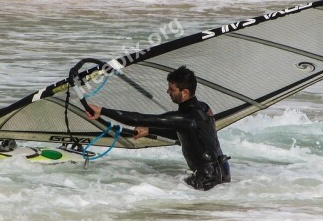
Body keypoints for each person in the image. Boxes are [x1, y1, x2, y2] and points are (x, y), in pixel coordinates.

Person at [86, 66, 230, 191]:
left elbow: (138, 119)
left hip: (207, 179)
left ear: (185, 92)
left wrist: (102, 111)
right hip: (223, 172)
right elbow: (187, 135)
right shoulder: (204, 108)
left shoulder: (185, 118)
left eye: (172, 89)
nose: (168, 92)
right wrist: (150, 130)